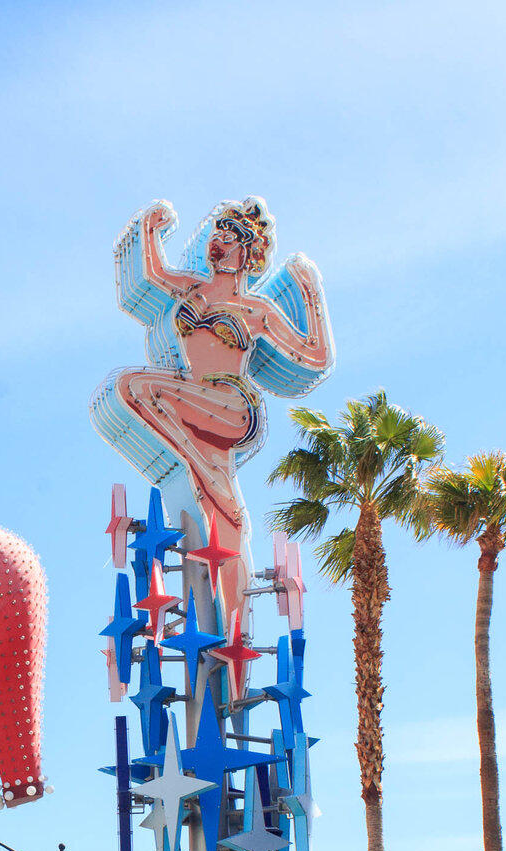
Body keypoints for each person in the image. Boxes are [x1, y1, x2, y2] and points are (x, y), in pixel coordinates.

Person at [93, 197, 334, 623]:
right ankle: (234, 629)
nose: (219, 243)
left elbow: (315, 356)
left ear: (248, 252)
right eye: (217, 235)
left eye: (230, 237)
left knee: (138, 385)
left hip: (231, 406)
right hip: (191, 401)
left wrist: (309, 287)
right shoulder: (191, 289)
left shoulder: (256, 311)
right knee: (224, 517)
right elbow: (153, 274)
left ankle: (200, 471)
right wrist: (151, 228)